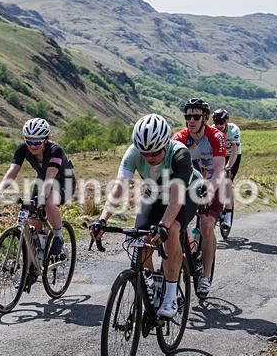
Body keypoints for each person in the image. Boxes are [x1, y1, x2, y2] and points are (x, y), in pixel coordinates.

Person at [89, 114, 198, 318]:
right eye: (144, 152)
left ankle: (171, 296)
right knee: (140, 239)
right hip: (155, 192)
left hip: (186, 193)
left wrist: (163, 225)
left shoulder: (180, 154)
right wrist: (102, 219)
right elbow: (120, 187)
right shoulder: (133, 153)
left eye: (155, 152)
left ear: (166, 143)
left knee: (172, 230)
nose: (149, 157)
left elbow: (177, 197)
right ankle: (151, 286)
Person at [0, 118, 74, 257]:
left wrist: (43, 197)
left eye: (37, 142)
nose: (33, 145)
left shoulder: (55, 150)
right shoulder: (22, 149)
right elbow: (12, 171)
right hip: (42, 181)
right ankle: (35, 263)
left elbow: (51, 176)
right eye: (29, 141)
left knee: (48, 203)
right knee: (32, 226)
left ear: (45, 140)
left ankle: (58, 236)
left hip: (63, 181)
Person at [173, 98, 227, 297]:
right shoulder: (180, 138)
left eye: (196, 117)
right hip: (191, 184)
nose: (191, 120)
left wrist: (211, 191)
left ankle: (205, 276)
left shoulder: (216, 137)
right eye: (188, 117)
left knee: (206, 226)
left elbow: (220, 170)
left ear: (205, 118)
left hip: (215, 182)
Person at [211, 108, 241, 231]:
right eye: (216, 123)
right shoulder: (212, 130)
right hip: (219, 155)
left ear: (226, 121)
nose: (218, 126)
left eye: (221, 123)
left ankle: (228, 215)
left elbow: (234, 152)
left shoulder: (234, 130)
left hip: (232, 155)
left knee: (227, 180)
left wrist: (228, 167)